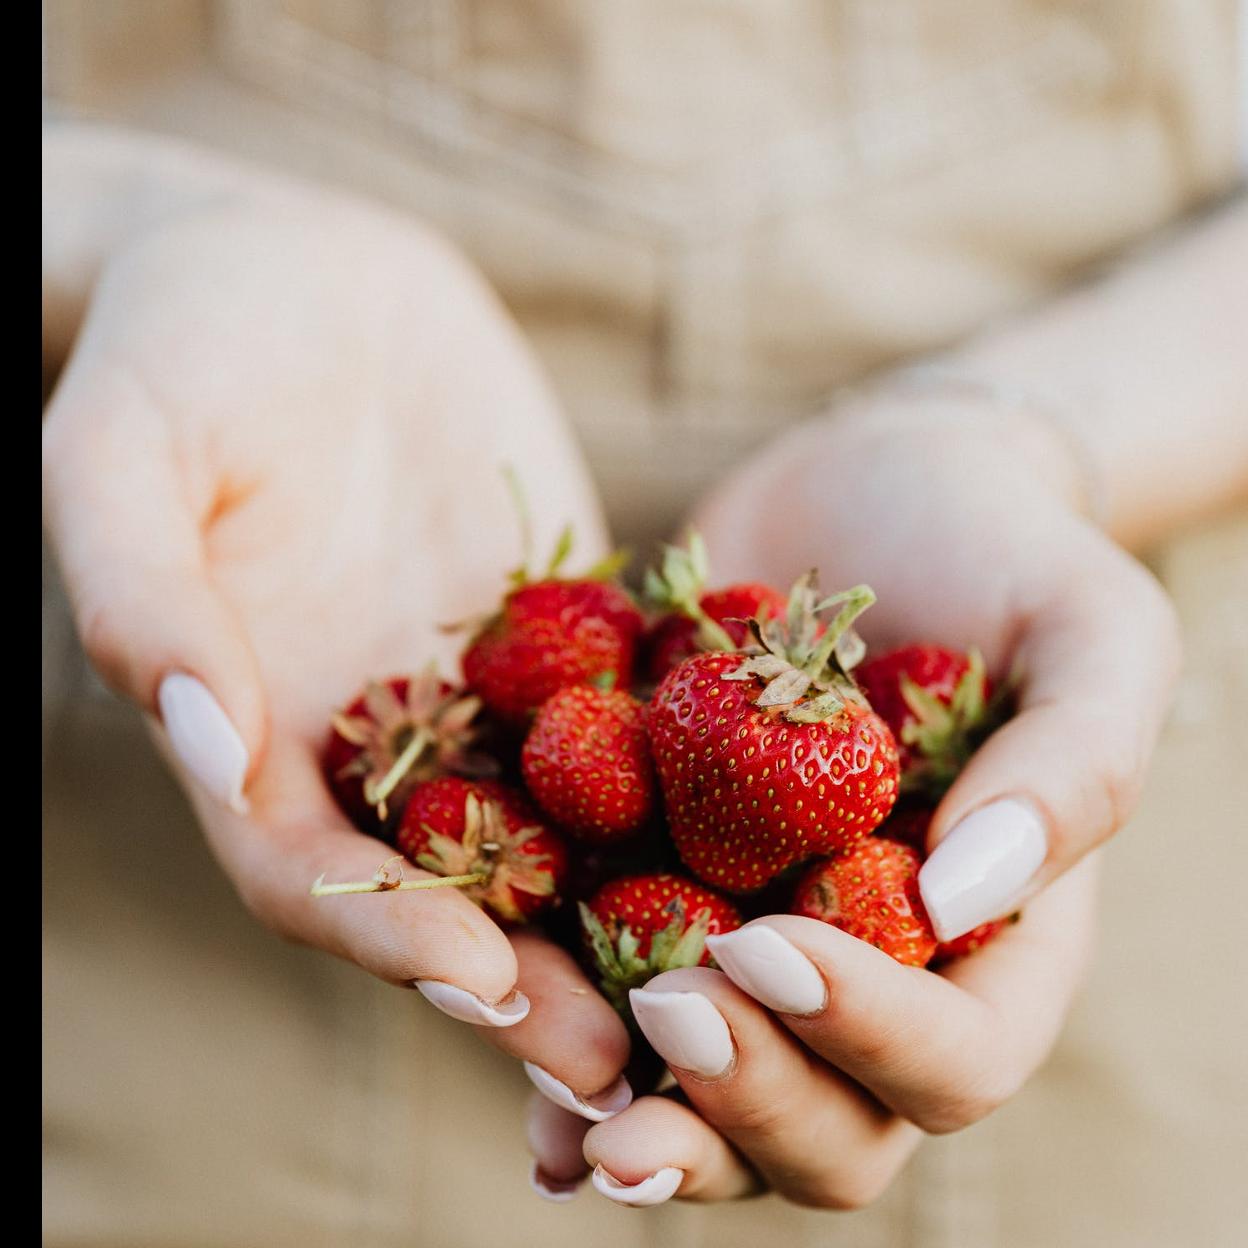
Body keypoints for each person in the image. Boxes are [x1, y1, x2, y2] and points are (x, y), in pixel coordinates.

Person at [43, 5, 1248, 1245]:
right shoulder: (682, 715)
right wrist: (124, 226)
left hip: (1117, 922)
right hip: (162, 950)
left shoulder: (708, 707)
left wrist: (1041, 434)